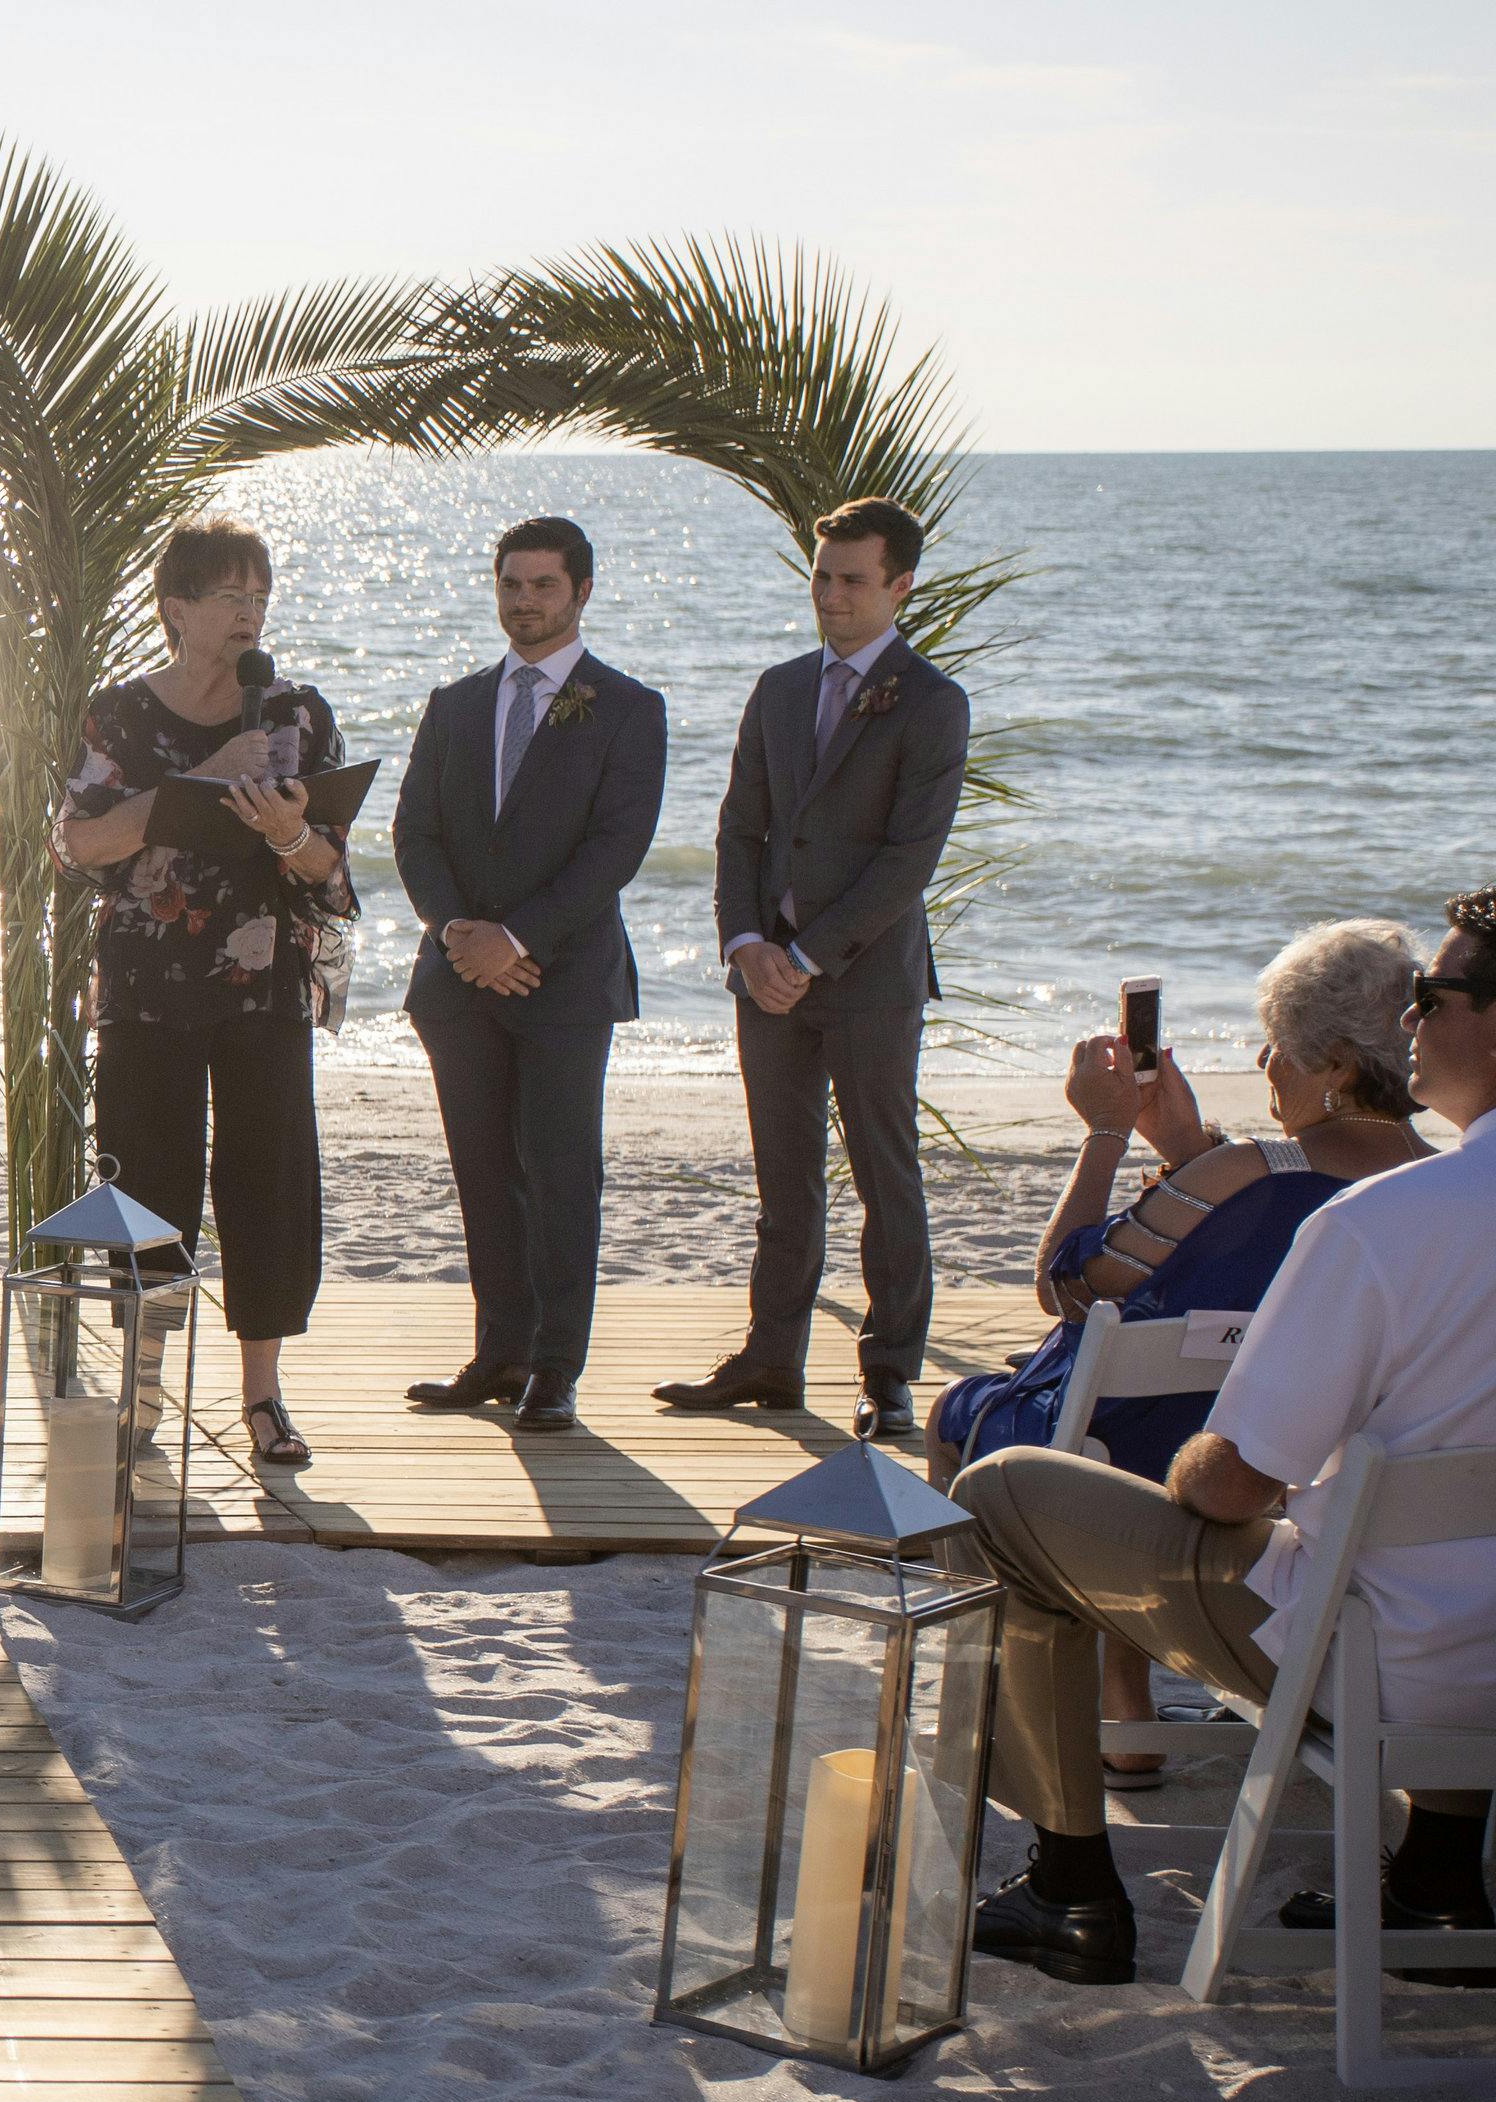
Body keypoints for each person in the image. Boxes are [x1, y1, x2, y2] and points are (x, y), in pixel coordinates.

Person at [946, 886, 1496, 1989]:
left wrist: (1223, 1458)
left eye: (1435, 996)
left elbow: (1235, 1484)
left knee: (1005, 1489)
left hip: (1391, 1668)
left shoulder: (1382, 1229)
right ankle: (1434, 1881)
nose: (1413, 1021)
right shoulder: (1398, 1198)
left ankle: (1068, 1888)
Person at [932, 922, 1434, 1780]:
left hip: (1177, 1458)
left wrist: (1107, 1131)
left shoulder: (1244, 1170)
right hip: (1304, 1478)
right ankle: (1123, 1692)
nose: (1266, 1067)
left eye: (1279, 1048)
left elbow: (1069, 1285)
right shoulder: (1429, 1186)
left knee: (963, 1416)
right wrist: (1187, 1148)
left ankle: (1073, 1702)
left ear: (1339, 1066)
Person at [52, 518, 358, 1468]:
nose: (249, 614)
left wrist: (287, 833)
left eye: (260, 596)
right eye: (231, 597)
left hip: (264, 981)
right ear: (177, 611)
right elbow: (78, 845)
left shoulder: (296, 714)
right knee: (147, 1182)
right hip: (145, 988)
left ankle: (263, 1397)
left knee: (269, 1184)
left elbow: (331, 872)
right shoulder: (120, 717)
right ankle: (142, 1392)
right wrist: (195, 781)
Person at [665, 496, 971, 1440]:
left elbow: (906, 861)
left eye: (852, 580)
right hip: (767, 980)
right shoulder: (780, 687)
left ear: (900, 586)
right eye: (822, 577)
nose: (832, 597)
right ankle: (771, 1358)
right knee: (782, 1178)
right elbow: (739, 830)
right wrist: (745, 945)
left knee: (887, 1175)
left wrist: (805, 953)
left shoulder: (932, 701)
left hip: (868, 980)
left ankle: (888, 1374)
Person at [390, 517, 669, 1434]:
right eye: (511, 584)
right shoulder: (456, 703)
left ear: (580, 592)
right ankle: (498, 1350)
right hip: (459, 983)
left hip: (566, 979)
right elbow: (415, 833)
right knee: (481, 1170)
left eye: (543, 585)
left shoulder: (629, 708)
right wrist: (458, 931)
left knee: (559, 1171)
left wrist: (517, 938)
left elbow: (615, 849)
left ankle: (556, 1365)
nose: (524, 601)